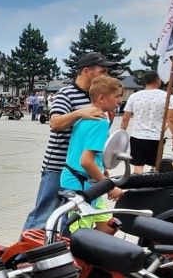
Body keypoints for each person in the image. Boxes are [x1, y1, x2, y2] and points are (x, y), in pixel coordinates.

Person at [21, 51, 114, 230]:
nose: (106, 76)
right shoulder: (66, 94)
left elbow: (95, 140)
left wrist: (103, 168)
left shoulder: (96, 96)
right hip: (58, 167)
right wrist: (80, 112)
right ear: (86, 71)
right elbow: (55, 123)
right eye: (103, 71)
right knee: (43, 216)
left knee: (75, 220)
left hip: (85, 172)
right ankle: (19, 256)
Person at [60, 75, 124, 232]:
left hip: (87, 183)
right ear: (102, 98)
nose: (120, 101)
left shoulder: (85, 116)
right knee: (80, 237)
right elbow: (86, 161)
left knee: (109, 227)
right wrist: (108, 186)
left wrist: (102, 170)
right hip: (80, 186)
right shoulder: (99, 122)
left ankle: (93, 253)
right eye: (117, 96)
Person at [119, 71, 173, 173]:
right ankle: (153, 185)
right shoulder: (168, 97)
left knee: (138, 166)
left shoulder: (134, 96)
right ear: (158, 81)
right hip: (156, 137)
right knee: (156, 166)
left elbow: (125, 118)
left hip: (137, 136)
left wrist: (121, 133)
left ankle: (137, 186)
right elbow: (171, 119)